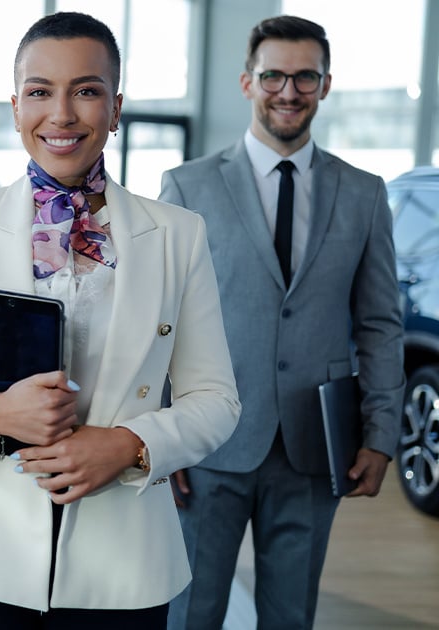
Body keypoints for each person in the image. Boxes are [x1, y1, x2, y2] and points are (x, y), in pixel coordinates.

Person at [0, 12, 240, 628]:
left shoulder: (179, 235)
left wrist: (130, 446)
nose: (61, 114)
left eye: (86, 91)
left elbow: (217, 400)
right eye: (40, 92)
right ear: (16, 108)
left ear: (115, 108)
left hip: (122, 560)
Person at [159, 15, 405, 630]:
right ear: (247, 82)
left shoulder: (364, 193)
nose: (288, 91)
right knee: (191, 612)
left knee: (291, 615)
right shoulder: (187, 187)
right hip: (207, 440)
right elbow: (159, 318)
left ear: (325, 85)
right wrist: (158, 435)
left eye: (305, 77)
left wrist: (380, 434)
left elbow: (379, 323)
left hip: (315, 444)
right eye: (273, 75)